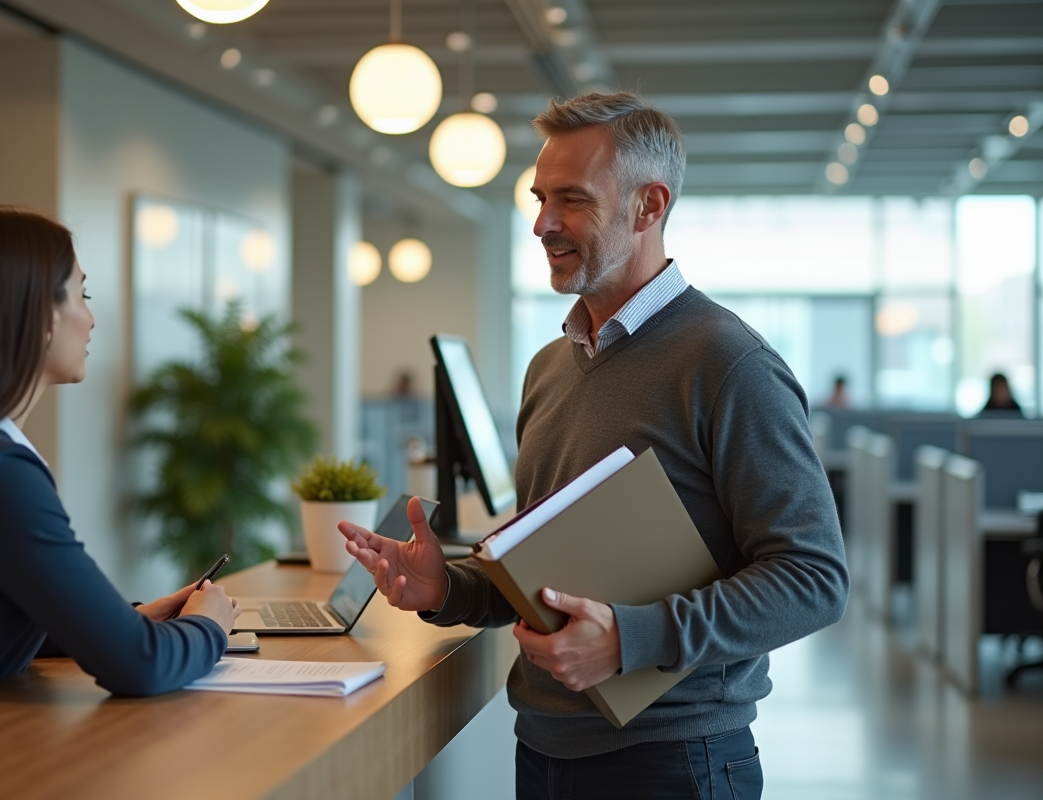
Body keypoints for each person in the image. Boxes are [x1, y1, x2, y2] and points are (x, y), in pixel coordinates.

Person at [339, 93, 849, 800]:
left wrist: (630, 638)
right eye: (539, 198)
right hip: (543, 749)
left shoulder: (729, 364)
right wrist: (448, 587)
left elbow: (815, 579)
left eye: (571, 201)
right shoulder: (550, 367)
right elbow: (549, 578)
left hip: (675, 761)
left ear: (649, 206)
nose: (543, 224)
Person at [0, 205, 241, 728]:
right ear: (38, 314)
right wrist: (208, 627)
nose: (92, 317)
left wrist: (125, 620)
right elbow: (140, 666)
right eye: (82, 293)